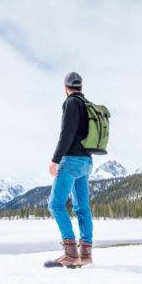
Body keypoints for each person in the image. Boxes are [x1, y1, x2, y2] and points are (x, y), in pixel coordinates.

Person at [44, 72, 94, 268]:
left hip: (72, 160)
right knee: (82, 208)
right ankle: (86, 254)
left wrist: (55, 160)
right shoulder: (88, 105)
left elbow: (66, 133)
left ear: (66, 88)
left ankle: (71, 254)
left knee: (55, 205)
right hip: (86, 162)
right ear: (80, 86)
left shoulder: (71, 103)